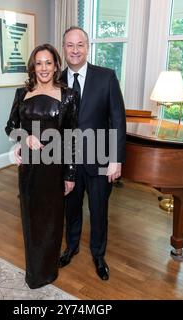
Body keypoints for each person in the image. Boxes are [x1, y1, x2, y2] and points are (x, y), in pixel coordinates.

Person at [5, 43, 79, 289]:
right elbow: (10, 127)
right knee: (30, 218)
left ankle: (48, 271)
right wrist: (23, 137)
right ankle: (34, 272)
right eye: (39, 63)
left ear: (56, 65)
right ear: (33, 66)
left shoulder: (68, 95)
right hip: (29, 168)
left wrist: (70, 173)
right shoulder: (21, 93)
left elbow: (72, 137)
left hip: (54, 168)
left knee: (52, 220)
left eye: (48, 62)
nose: (44, 68)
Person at [58, 26, 127, 281]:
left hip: (99, 159)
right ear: (64, 48)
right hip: (67, 161)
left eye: (80, 45)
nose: (75, 50)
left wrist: (116, 159)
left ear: (87, 47)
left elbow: (118, 120)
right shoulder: (55, 81)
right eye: (70, 45)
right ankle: (71, 247)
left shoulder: (106, 77)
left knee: (99, 212)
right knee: (71, 209)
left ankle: (98, 256)